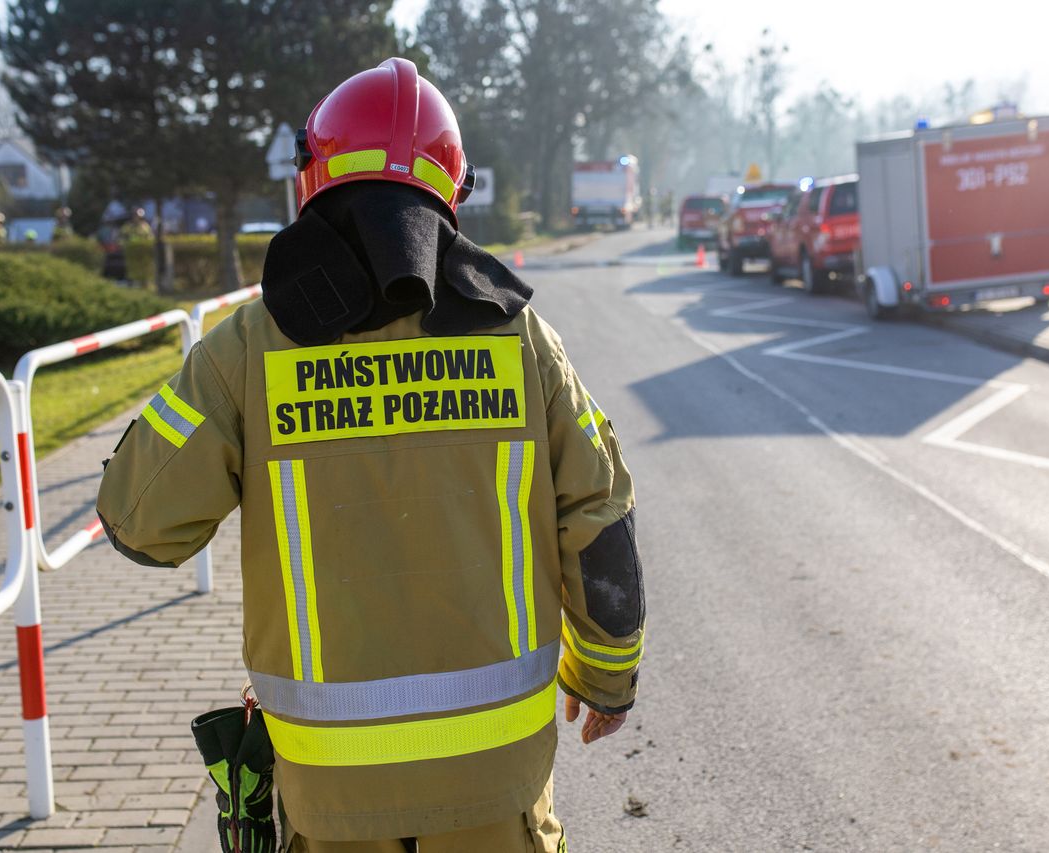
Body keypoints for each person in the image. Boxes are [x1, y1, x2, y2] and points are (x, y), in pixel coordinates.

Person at [96, 57, 645, 853]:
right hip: (496, 784)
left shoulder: (245, 351)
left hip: (329, 796)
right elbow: (601, 520)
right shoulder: (523, 342)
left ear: (310, 180)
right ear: (449, 189)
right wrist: (605, 679)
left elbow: (139, 526)